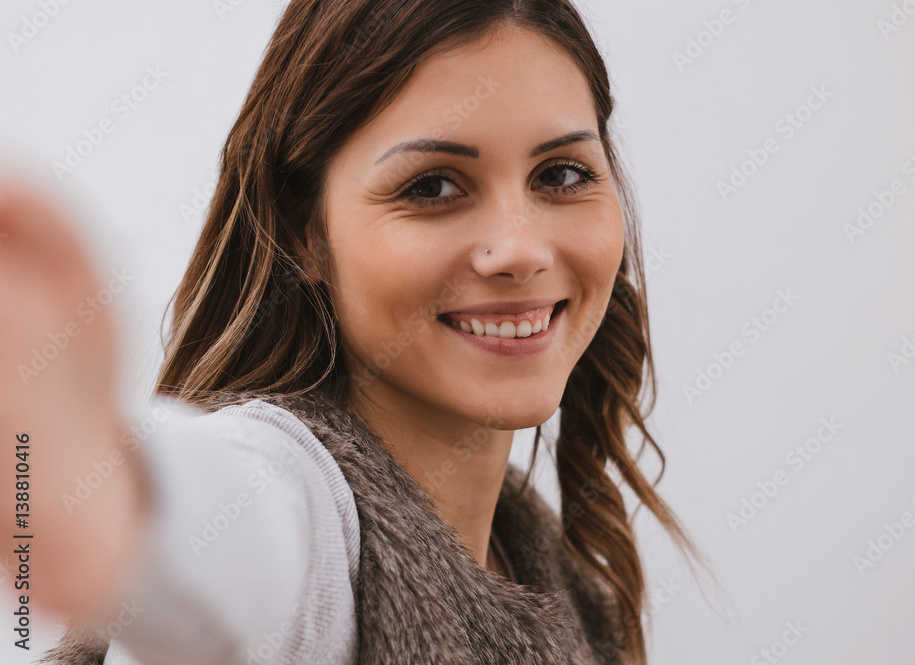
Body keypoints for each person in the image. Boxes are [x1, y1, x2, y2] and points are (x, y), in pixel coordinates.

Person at [0, 0, 714, 663]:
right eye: (433, 186)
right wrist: (95, 483)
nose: (520, 248)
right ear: (305, 231)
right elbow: (242, 528)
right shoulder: (309, 507)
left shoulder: (550, 570)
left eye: (560, 173)